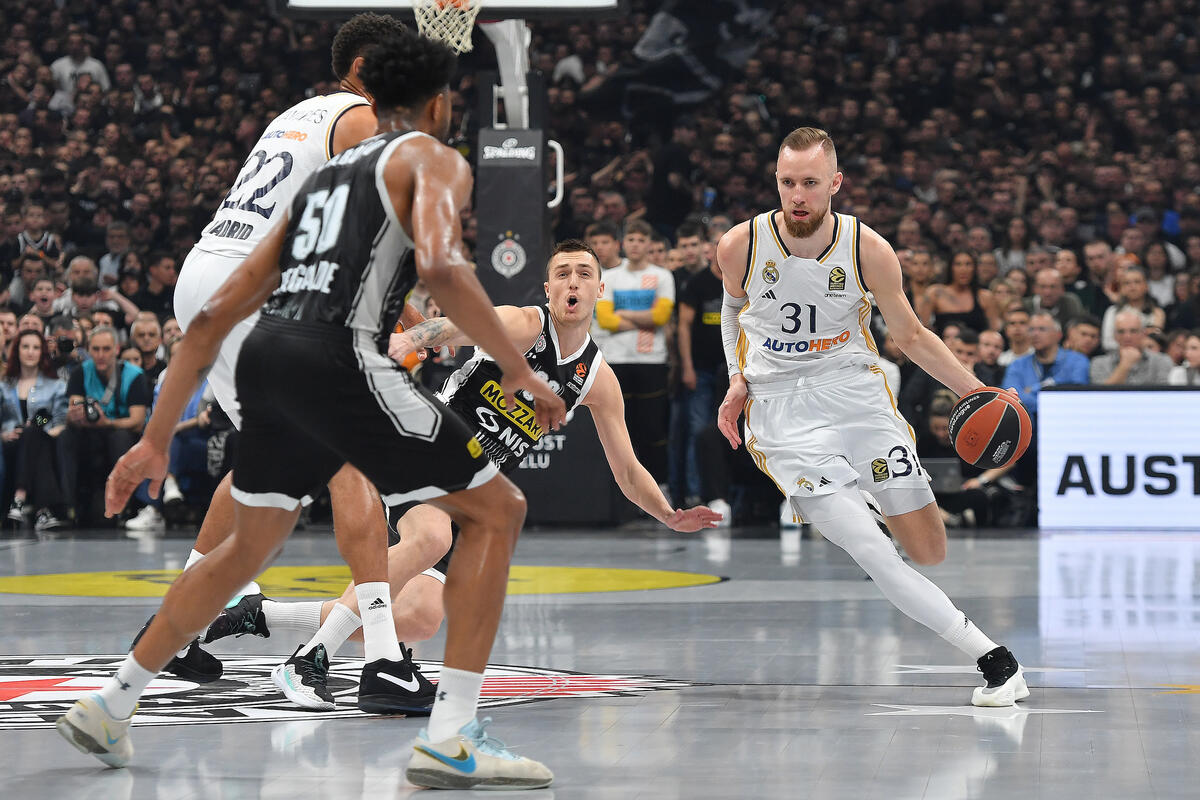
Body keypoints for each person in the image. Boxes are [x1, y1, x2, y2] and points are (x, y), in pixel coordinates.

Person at [59, 30, 565, 792]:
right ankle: (451, 736)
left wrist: (156, 438)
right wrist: (520, 368)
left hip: (269, 355)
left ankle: (112, 702)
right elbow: (440, 266)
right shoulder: (430, 158)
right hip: (337, 359)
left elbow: (213, 316)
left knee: (246, 548)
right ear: (437, 104)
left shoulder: (319, 183)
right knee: (499, 510)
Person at [205, 240, 721, 709]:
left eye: (584, 274)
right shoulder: (526, 324)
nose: (573, 282)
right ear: (547, 289)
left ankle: (260, 615)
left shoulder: (597, 378)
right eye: (562, 273)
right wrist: (412, 340)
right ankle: (308, 660)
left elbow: (627, 469)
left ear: (599, 290)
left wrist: (668, 515)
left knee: (418, 618)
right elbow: (462, 324)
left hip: (469, 498)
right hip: (428, 445)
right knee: (431, 536)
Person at [108, 12, 419, 691]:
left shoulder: (300, 114)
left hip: (206, 275)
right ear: (364, 70)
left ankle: (179, 628)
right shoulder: (360, 118)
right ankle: (383, 661)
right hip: (254, 284)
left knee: (262, 455)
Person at [715, 127, 1028, 708]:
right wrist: (737, 377)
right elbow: (733, 312)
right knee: (872, 552)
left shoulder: (868, 249)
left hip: (855, 393)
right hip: (781, 410)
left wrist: (980, 391)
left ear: (835, 183)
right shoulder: (739, 244)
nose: (798, 195)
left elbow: (910, 335)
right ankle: (996, 662)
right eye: (787, 182)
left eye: (811, 183)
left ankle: (859, 491)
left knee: (928, 550)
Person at [594, 218, 675, 486]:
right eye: (631, 239)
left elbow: (661, 316)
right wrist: (645, 318)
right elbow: (605, 320)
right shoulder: (609, 277)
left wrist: (623, 314)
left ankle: (660, 486)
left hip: (651, 361)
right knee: (619, 431)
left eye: (641, 240)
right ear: (623, 243)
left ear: (649, 243)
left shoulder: (662, 276)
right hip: (615, 360)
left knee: (652, 429)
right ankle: (621, 492)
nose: (636, 244)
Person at [61, 326, 150, 525]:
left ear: (116, 349)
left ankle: (124, 506)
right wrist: (74, 416)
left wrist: (106, 422)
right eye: (96, 349)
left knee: (119, 437)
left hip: (120, 433)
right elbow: (73, 407)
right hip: (89, 434)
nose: (101, 355)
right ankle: (68, 506)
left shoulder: (134, 375)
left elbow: (137, 422)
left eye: (106, 349)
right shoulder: (80, 372)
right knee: (66, 435)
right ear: (89, 350)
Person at [2, 329, 69, 530]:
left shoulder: (56, 385)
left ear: (42, 352)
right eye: (25, 347)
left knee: (34, 435)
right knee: (31, 437)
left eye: (36, 347)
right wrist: (3, 435)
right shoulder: (4, 386)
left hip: (46, 440)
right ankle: (43, 512)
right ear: (17, 351)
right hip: (11, 444)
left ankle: (19, 498)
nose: (30, 352)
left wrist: (44, 432)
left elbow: (60, 420)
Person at [1001, 312, 1090, 415]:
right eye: (1031, 330)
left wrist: (1034, 389)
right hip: (1030, 423)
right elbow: (1011, 400)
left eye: (1042, 329)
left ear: (1058, 335)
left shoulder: (1077, 361)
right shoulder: (1017, 365)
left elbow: (1076, 396)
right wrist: (1051, 404)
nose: (1035, 334)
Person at [918, 250, 991, 337]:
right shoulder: (935, 293)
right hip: (942, 344)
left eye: (968, 264)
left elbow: (993, 332)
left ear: (974, 268)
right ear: (950, 268)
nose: (963, 270)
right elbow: (923, 329)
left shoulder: (985, 296)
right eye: (958, 264)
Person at [1090, 310, 1174, 385]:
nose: (1127, 337)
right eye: (1121, 331)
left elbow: (1163, 394)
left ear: (1143, 334)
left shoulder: (1162, 361)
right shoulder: (1099, 363)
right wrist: (1125, 365)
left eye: (1133, 331)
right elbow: (1102, 395)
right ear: (1115, 336)